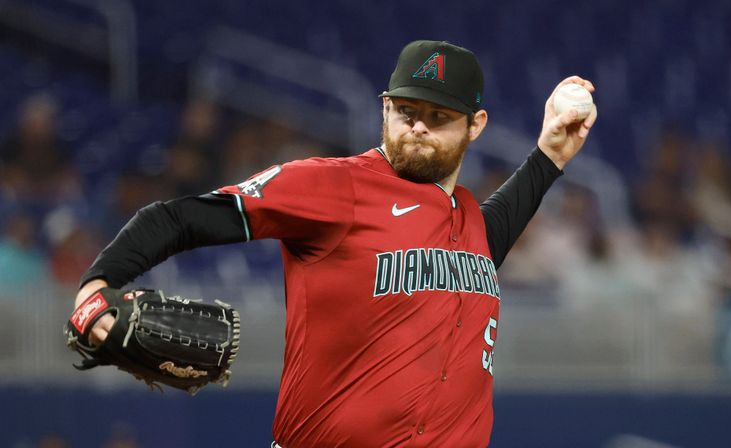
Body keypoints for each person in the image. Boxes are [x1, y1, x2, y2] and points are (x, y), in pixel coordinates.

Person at [73, 40, 597, 447]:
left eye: (438, 116)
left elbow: (490, 235)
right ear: (384, 109)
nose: (417, 126)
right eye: (405, 110)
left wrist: (550, 156)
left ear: (475, 125)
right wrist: (97, 287)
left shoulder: (467, 222)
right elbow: (180, 218)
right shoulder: (332, 186)